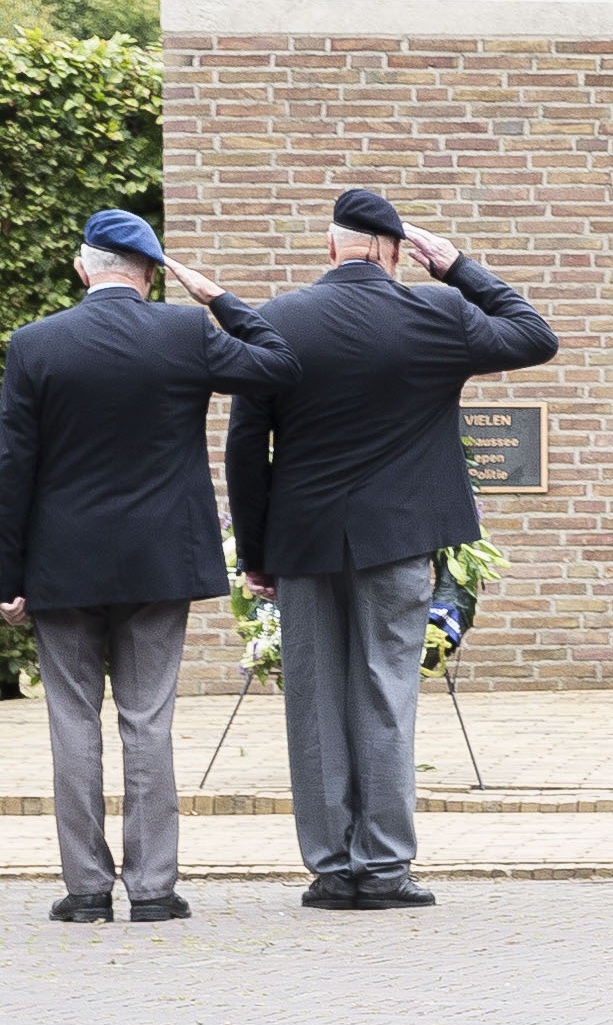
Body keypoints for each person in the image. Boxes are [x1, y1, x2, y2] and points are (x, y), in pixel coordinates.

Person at [228, 190, 556, 911]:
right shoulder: (437, 313)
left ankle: (330, 869)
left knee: (315, 702)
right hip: (399, 539)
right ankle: (383, 868)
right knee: (386, 692)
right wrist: (460, 267)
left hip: (304, 540)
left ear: (331, 247)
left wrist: (256, 553)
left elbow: (246, 450)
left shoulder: (275, 320)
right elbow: (535, 336)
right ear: (398, 251)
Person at [0, 209, 292, 923]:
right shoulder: (184, 332)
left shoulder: (36, 344)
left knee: (71, 722)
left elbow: (13, 468)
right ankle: (153, 889)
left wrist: (8, 577)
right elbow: (280, 364)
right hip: (159, 562)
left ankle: (86, 889)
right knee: (148, 722)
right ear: (151, 276)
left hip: (62, 566)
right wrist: (215, 298)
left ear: (82, 268)